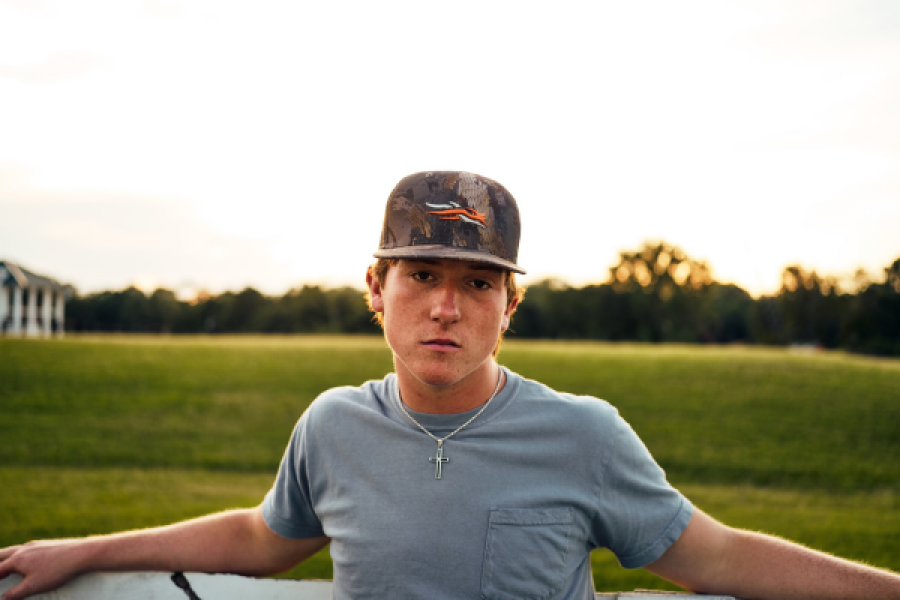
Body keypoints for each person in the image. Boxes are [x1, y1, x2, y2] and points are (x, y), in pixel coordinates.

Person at [1, 171, 899, 600]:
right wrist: (84, 550)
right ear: (375, 290)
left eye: (476, 284)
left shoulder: (584, 434)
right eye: (421, 276)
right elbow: (264, 536)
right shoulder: (332, 426)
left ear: (510, 306)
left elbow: (713, 556)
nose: (445, 307)